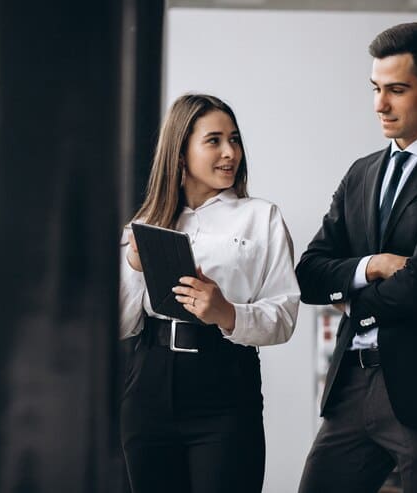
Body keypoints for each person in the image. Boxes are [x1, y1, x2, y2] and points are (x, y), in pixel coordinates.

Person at [296, 22, 417, 493]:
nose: (380, 105)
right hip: (349, 389)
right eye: (376, 89)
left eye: (396, 90)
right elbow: (308, 274)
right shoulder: (361, 172)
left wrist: (351, 301)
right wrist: (374, 265)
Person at [118, 93, 300, 493]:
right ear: (180, 153)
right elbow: (119, 324)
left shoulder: (261, 217)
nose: (229, 152)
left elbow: (284, 317)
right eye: (214, 140)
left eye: (234, 140)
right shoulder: (146, 222)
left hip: (224, 383)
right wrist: (133, 269)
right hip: (149, 381)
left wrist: (226, 313)